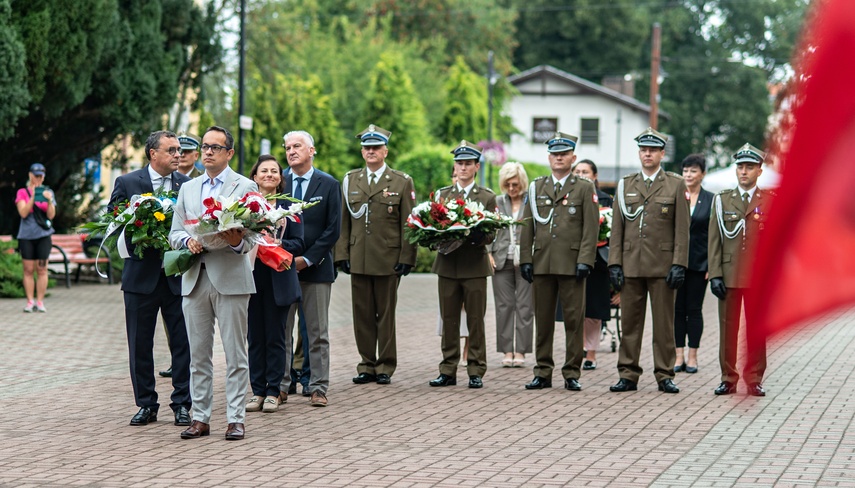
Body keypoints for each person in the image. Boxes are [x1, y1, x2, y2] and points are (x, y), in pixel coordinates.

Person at [169, 125, 258, 440]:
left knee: (236, 354)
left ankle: (236, 419)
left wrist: (236, 242)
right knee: (198, 354)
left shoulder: (245, 186)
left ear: (229, 153)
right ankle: (200, 417)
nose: (207, 151)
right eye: (205, 146)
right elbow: (176, 231)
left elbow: (253, 236)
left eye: (215, 147)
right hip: (195, 278)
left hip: (231, 278)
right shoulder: (188, 188)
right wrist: (186, 242)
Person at [110, 131, 192, 428]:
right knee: (140, 344)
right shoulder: (128, 183)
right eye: (171, 150)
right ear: (152, 154)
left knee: (183, 344)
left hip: (178, 277)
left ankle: (182, 403)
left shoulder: (187, 184)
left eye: (179, 151)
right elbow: (114, 222)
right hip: (140, 278)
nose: (177, 156)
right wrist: (145, 234)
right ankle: (146, 404)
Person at [608, 127, 690, 394]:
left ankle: (665, 374)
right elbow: (617, 228)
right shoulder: (626, 184)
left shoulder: (676, 184)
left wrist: (679, 263)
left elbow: (681, 228)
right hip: (631, 264)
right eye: (644, 150)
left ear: (662, 154)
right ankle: (628, 374)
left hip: (663, 266)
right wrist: (614, 263)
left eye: (652, 150)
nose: (647, 154)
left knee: (664, 325)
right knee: (629, 324)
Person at [335, 125, 417, 385]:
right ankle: (366, 364)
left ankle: (386, 365)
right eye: (367, 148)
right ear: (362, 152)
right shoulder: (351, 180)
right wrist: (342, 253)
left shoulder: (401, 181)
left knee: (386, 313)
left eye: (376, 147)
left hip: (388, 257)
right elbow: (344, 221)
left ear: (385, 151)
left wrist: (407, 257)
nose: (371, 151)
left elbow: (409, 223)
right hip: (359, 255)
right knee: (362, 314)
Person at [519, 133, 598, 391]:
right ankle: (542, 371)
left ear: (573, 158)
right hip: (542, 261)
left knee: (574, 320)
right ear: (549, 157)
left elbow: (590, 228)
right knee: (542, 320)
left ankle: (571, 372)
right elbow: (527, 225)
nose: (559, 157)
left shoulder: (584, 187)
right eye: (555, 153)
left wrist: (586, 259)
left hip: (572, 262)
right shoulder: (536, 186)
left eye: (564, 153)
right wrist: (525, 259)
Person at [278, 130, 342, 407]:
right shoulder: (277, 181)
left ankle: (318, 387)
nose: (291, 151)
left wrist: (309, 259)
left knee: (316, 332)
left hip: (316, 268)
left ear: (312, 150)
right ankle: (279, 385)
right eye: (287, 147)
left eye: (297, 146)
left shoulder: (328, 184)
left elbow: (333, 229)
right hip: (281, 267)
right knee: (282, 330)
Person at [429, 140, 497, 389]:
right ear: (454, 166)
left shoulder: (487, 196)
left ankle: (476, 369)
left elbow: (492, 233)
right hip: (447, 264)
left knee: (476, 320)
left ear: (477, 166)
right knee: (449, 319)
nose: (463, 167)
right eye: (459, 163)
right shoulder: (442, 194)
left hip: (474, 265)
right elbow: (434, 227)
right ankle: (447, 369)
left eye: (468, 163)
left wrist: (479, 234)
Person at [709, 144, 771, 397]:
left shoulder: (769, 200)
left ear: (759, 171)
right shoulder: (723, 200)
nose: (744, 172)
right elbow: (715, 241)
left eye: (749, 167)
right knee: (728, 328)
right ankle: (728, 377)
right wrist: (714, 275)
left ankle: (754, 378)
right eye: (740, 167)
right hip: (729, 273)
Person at [245, 155, 304, 413]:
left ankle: (274, 391)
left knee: (277, 336)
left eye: (274, 171)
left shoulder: (290, 208)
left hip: (279, 275)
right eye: (263, 171)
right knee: (255, 335)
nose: (269, 174)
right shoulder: (244, 205)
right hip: (251, 275)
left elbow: (300, 242)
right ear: (255, 177)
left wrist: (277, 244)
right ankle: (257, 390)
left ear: (280, 178)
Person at [488, 162, 533, 368]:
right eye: (507, 185)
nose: (512, 189)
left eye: (515, 184)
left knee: (525, 307)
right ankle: (507, 350)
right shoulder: (497, 201)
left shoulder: (531, 201)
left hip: (525, 260)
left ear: (522, 183)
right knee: (504, 306)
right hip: (501, 259)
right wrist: (488, 253)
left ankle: (521, 351)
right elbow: (488, 228)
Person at [572, 159, 616, 371]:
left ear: (595, 176)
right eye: (578, 171)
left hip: (599, 261)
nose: (581, 175)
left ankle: (590, 353)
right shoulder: (568, 196)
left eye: (585, 172)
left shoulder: (607, 199)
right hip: (572, 259)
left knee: (594, 309)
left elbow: (613, 232)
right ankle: (576, 349)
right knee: (575, 308)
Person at [674, 154, 713, 374]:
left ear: (702, 174)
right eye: (685, 171)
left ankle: (692, 356)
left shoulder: (711, 199)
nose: (688, 175)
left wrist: (711, 265)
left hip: (700, 263)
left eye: (693, 171)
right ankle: (678, 355)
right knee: (677, 310)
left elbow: (714, 235)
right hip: (676, 263)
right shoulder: (675, 195)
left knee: (694, 310)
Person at [15, 163, 56, 313]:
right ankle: (29, 301)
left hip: (43, 236)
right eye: (35, 175)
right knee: (28, 269)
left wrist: (49, 200)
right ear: (30, 175)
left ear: (43, 176)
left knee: (42, 269)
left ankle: (40, 302)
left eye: (41, 175)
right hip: (26, 236)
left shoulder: (48, 192)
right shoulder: (22, 192)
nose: (38, 178)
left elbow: (51, 215)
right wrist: (33, 196)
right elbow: (23, 213)